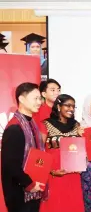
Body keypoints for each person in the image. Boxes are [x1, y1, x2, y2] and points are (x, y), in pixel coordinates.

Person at [1, 82, 45, 212]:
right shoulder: (15, 127)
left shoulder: (32, 124)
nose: (39, 102)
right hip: (19, 193)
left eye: (40, 98)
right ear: (21, 99)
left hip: (34, 189)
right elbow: (11, 165)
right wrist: (29, 184)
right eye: (35, 98)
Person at [39, 94, 84, 212]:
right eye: (68, 105)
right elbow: (39, 152)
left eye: (73, 106)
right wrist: (51, 172)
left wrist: (82, 163)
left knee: (72, 205)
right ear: (58, 107)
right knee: (55, 206)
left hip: (73, 174)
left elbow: (81, 150)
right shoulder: (46, 124)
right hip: (54, 174)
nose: (71, 109)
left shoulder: (76, 125)